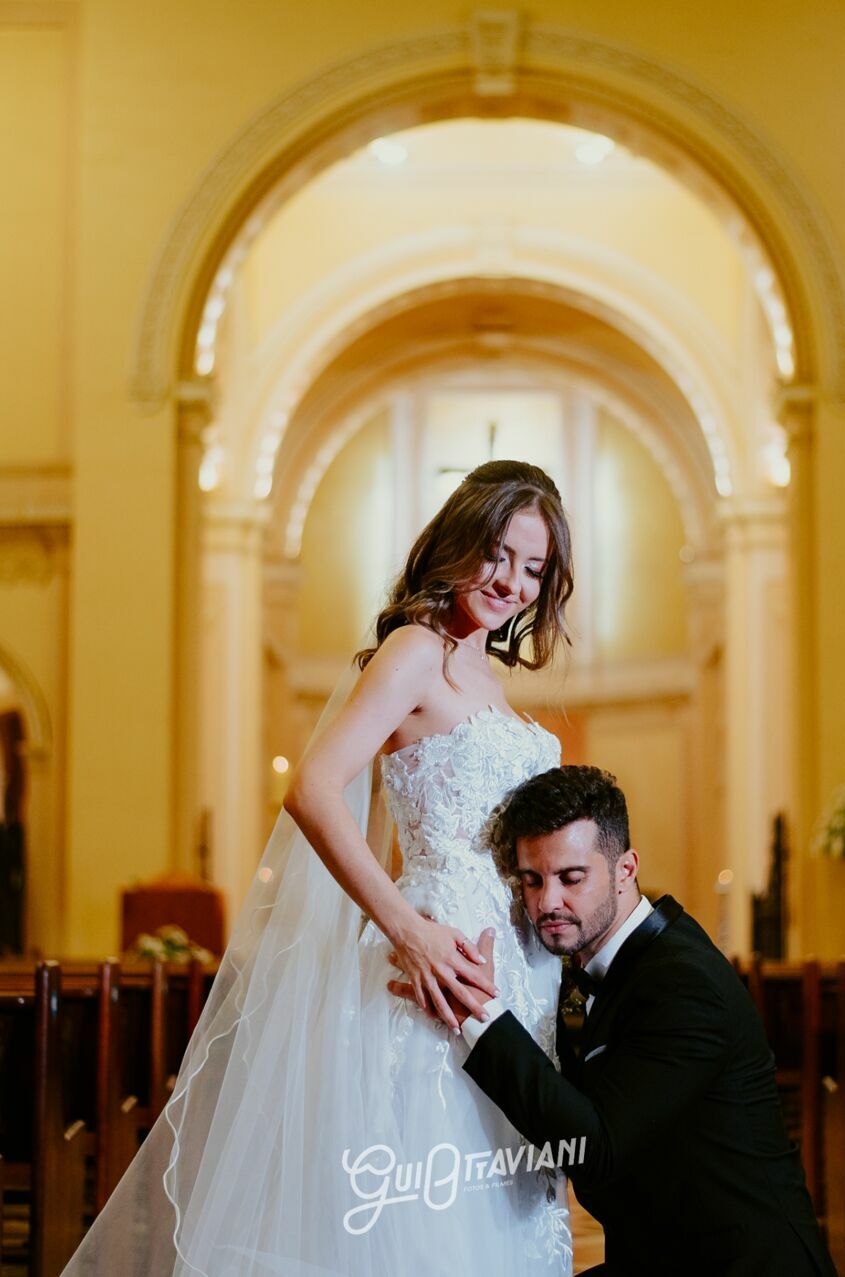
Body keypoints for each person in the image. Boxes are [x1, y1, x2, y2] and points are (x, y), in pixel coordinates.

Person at [63, 460, 578, 1275]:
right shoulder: (417, 649)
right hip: (435, 964)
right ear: (461, 540)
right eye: (497, 553)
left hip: (513, 977)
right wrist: (405, 928)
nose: (511, 580)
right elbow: (311, 787)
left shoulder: (488, 673)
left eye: (533, 567)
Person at [392, 765, 837, 1277]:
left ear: (626, 869)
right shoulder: (610, 964)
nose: (547, 902)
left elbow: (593, 1153)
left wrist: (480, 1014)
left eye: (571, 878)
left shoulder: (682, 983)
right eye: (532, 880)